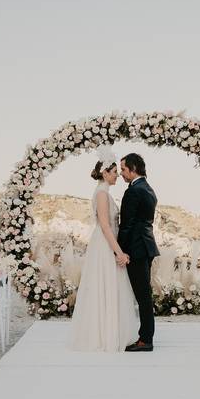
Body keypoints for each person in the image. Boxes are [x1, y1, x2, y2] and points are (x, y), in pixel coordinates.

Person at [69, 150, 140, 351]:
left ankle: (109, 332)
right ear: (105, 172)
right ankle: (103, 336)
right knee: (105, 285)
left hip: (107, 242)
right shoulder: (101, 194)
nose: (118, 174)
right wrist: (119, 252)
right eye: (115, 171)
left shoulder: (104, 192)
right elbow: (106, 226)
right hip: (105, 245)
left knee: (110, 288)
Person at [117, 153, 160, 352]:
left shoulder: (133, 191)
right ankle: (146, 336)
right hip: (146, 246)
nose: (121, 173)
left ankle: (145, 340)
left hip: (136, 248)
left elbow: (127, 225)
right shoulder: (148, 189)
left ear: (133, 168)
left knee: (143, 296)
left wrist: (118, 250)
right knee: (145, 294)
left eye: (124, 169)